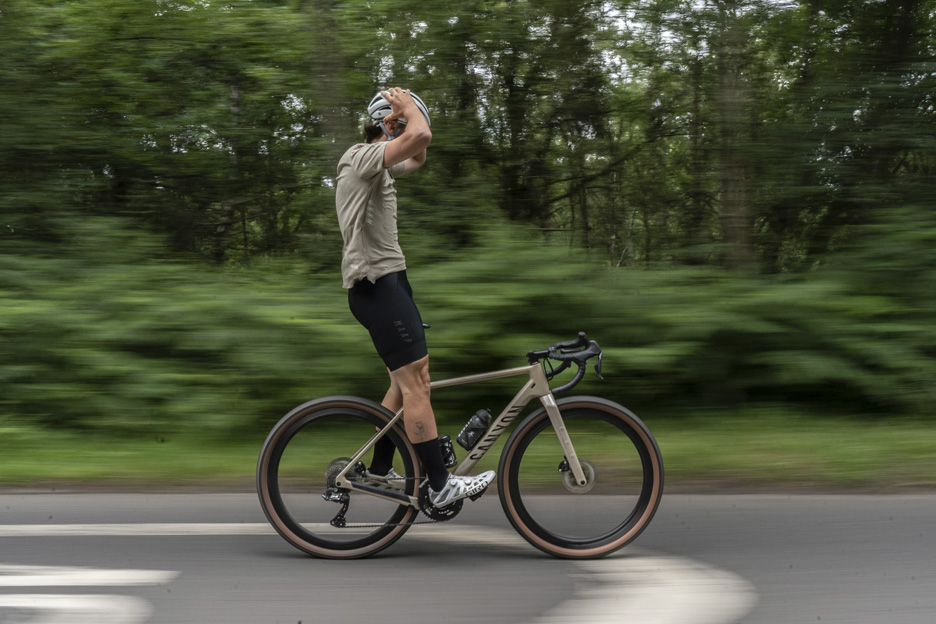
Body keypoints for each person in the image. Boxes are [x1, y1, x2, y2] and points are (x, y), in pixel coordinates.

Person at [335, 87, 495, 508]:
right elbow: (420, 138)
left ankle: (383, 466)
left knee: (412, 379)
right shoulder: (361, 157)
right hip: (375, 285)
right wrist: (406, 114)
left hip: (391, 283)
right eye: (400, 123)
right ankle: (441, 486)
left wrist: (406, 117)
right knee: (416, 387)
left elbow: (418, 154)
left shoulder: (381, 167)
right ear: (390, 125)